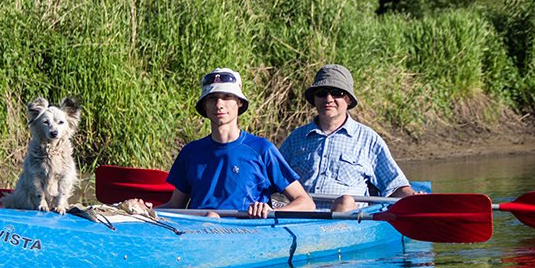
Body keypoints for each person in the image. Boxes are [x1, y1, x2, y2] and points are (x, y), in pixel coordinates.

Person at [155, 68, 314, 218]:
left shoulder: (262, 149)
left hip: (245, 235)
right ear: (204, 105)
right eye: (212, 98)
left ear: (239, 102)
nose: (219, 104)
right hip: (195, 232)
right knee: (210, 216)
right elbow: (175, 206)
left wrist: (270, 211)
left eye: (226, 97)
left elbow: (306, 203)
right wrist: (142, 212)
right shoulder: (190, 152)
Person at [279, 64, 417, 212]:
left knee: (345, 201)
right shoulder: (295, 139)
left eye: (337, 93)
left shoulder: (368, 139)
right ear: (314, 98)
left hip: (347, 223)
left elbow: (395, 186)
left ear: (349, 99)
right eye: (321, 93)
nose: (328, 99)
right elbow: (273, 181)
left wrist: (414, 198)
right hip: (299, 220)